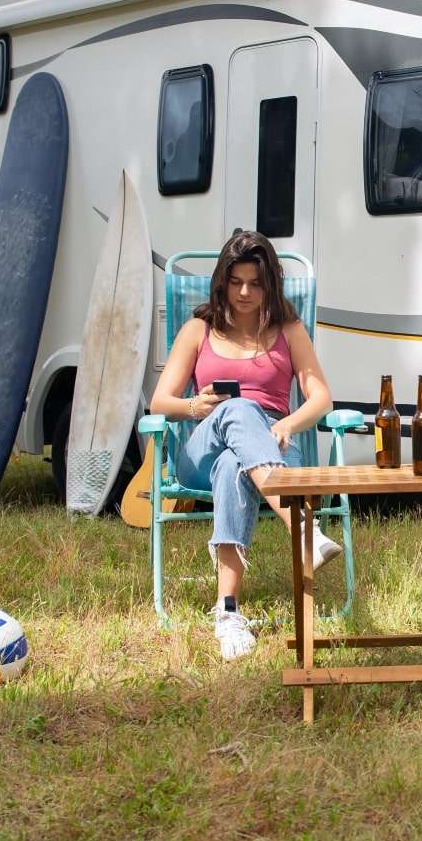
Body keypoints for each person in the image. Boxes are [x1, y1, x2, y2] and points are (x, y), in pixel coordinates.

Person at [149, 231, 340, 660]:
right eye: (236, 282)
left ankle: (228, 611)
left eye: (255, 282)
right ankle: (302, 528)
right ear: (222, 281)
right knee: (237, 410)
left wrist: (289, 421)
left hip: (272, 443)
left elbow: (321, 397)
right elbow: (159, 401)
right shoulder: (199, 329)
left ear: (270, 283)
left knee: (235, 465)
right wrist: (197, 406)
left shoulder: (288, 330)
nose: (245, 292)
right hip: (204, 443)